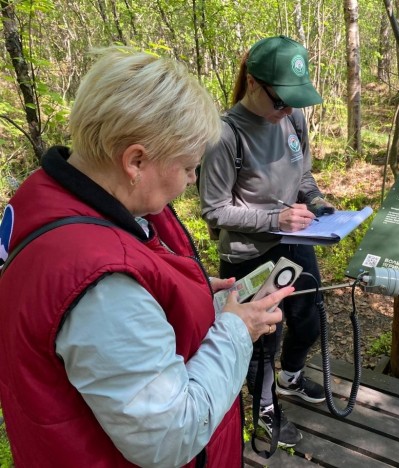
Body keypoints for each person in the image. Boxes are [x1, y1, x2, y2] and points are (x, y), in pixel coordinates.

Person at [0, 46, 294, 468]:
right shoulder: (100, 284)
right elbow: (170, 435)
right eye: (190, 167)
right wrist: (236, 332)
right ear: (135, 160)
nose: (192, 182)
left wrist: (193, 297)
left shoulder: (47, 197)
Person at [198, 35, 335, 447]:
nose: (289, 109)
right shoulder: (224, 135)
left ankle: (291, 375)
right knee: (261, 340)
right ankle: (265, 411)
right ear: (254, 83)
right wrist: (276, 217)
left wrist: (316, 200)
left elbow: (303, 172)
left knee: (308, 317)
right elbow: (214, 209)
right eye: (280, 101)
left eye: (295, 101)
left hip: (297, 241)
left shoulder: (293, 120)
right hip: (249, 257)